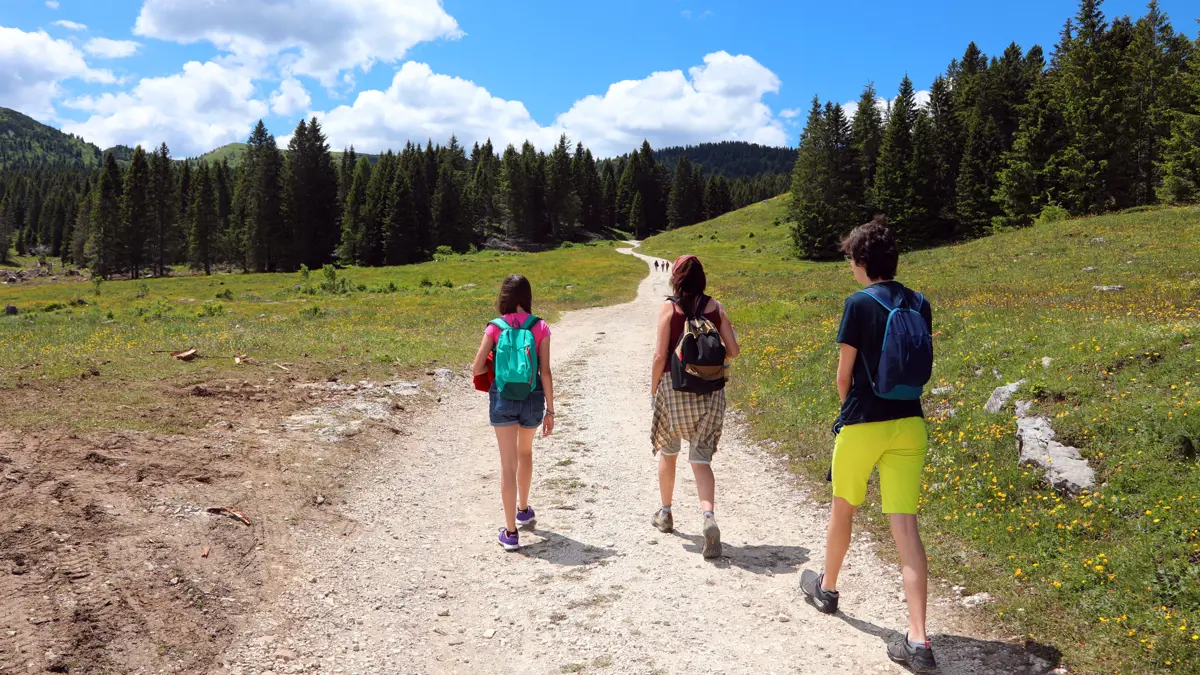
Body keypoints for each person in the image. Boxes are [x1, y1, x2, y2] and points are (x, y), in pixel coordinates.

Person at [799, 219, 936, 673]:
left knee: (843, 509)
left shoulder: (857, 303)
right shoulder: (920, 302)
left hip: (863, 423)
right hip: (910, 423)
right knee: (906, 527)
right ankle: (918, 639)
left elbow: (844, 376)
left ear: (860, 261)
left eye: (850, 259)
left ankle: (827, 588)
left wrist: (850, 413)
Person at [649, 255, 740, 558]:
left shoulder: (670, 308)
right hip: (711, 392)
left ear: (676, 278)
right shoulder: (716, 307)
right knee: (700, 460)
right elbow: (734, 350)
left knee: (668, 451)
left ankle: (665, 513)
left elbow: (660, 356)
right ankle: (708, 518)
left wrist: (653, 389)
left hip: (673, 388)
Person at [472, 274, 555, 551]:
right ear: (527, 296)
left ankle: (510, 533)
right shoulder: (540, 326)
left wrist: (498, 366)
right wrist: (550, 410)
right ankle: (523, 510)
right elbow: (546, 371)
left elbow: (477, 368)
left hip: (504, 397)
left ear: (504, 296)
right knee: (525, 453)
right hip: (532, 397)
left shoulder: (495, 327)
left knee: (507, 464)